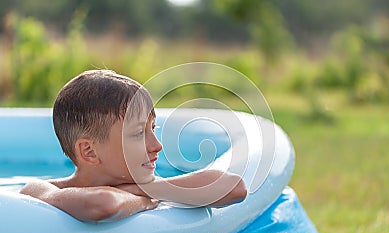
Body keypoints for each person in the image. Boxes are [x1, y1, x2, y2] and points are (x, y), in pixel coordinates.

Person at [20, 70, 247, 222]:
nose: (157, 146)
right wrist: (145, 199)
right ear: (89, 151)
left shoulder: (145, 185)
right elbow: (104, 204)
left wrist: (145, 189)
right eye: (139, 133)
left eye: (153, 129)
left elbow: (234, 187)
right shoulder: (40, 191)